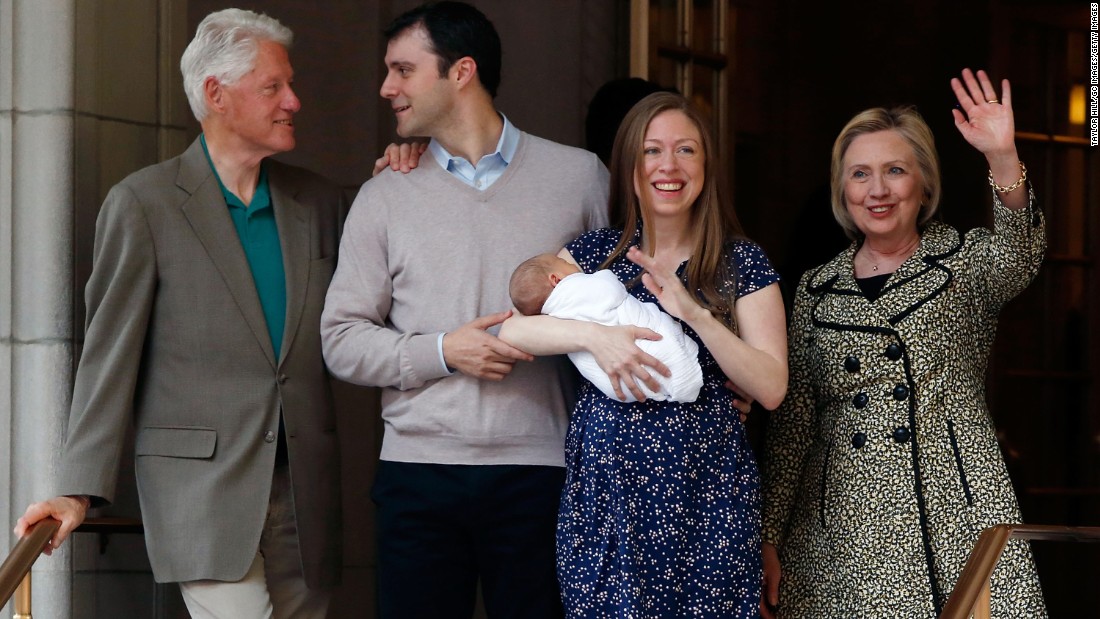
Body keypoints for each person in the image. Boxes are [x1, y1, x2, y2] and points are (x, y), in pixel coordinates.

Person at [13, 9, 345, 618]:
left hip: (305, 492)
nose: (294, 100)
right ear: (216, 95)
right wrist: (77, 489)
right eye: (274, 87)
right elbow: (109, 355)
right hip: (203, 493)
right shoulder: (144, 203)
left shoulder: (319, 202)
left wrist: (403, 178)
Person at [318, 2, 609, 617]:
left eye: (403, 70)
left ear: (461, 71)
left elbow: (626, 311)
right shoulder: (383, 195)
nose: (386, 88)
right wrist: (444, 351)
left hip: (545, 475)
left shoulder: (580, 178)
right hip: (418, 477)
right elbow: (341, 339)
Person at [760, 69, 1047, 618]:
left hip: (954, 507)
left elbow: (1019, 256)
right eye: (860, 174)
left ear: (924, 183)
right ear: (842, 189)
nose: (877, 190)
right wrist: (770, 533)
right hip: (838, 525)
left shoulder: (964, 262)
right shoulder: (817, 289)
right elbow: (795, 421)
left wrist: (1002, 156)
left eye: (895, 171)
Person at [498, 91, 789, 617]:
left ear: (706, 166)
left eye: (686, 150)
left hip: (707, 494)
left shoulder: (741, 261)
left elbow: (770, 386)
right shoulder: (592, 253)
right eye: (652, 151)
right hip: (611, 496)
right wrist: (594, 338)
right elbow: (514, 333)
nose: (669, 166)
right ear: (630, 166)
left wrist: (694, 313)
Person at [509, 253, 704, 403]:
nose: (577, 269)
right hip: (630, 353)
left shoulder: (549, 318)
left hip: (616, 389)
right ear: (556, 280)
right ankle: (683, 380)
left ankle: (673, 385)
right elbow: (610, 291)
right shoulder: (575, 290)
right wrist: (604, 276)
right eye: (568, 266)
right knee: (657, 345)